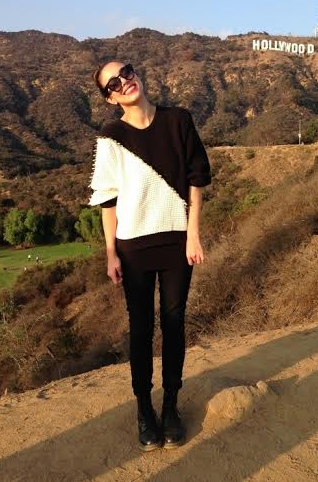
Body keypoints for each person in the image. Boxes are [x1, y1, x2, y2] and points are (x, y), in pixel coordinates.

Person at [90, 61, 211, 451]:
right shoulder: (111, 136)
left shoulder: (178, 120)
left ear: (136, 74)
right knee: (141, 329)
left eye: (126, 72)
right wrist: (111, 252)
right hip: (132, 247)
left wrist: (193, 234)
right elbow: (108, 200)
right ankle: (144, 408)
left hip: (177, 241)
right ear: (110, 98)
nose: (124, 82)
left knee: (174, 324)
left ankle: (171, 406)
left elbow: (196, 180)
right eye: (113, 83)